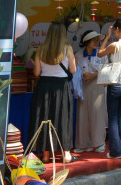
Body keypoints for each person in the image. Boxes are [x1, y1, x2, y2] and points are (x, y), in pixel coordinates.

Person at [29, 21, 77, 164]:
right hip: (61, 87)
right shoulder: (67, 49)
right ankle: (66, 153)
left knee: (44, 118)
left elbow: (37, 73)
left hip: (43, 86)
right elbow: (73, 70)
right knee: (63, 118)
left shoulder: (41, 49)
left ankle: (45, 154)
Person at [98, 17, 121, 159]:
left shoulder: (114, 45)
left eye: (114, 30)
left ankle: (115, 152)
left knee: (113, 118)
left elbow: (99, 53)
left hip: (115, 84)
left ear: (118, 30)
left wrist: (107, 37)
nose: (113, 32)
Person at [74, 30, 107, 153]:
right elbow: (74, 71)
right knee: (82, 114)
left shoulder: (101, 54)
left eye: (97, 40)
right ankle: (83, 143)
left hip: (97, 84)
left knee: (97, 114)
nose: (96, 42)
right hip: (82, 85)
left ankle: (99, 143)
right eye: (94, 40)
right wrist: (82, 75)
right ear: (86, 41)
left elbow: (106, 69)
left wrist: (92, 75)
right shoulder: (78, 54)